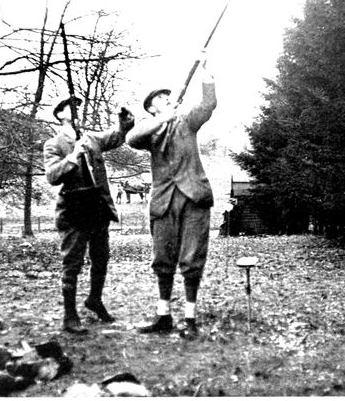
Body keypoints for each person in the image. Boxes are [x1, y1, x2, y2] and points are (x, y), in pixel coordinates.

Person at [125, 52, 217, 340]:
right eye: (161, 98)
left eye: (168, 96)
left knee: (192, 259)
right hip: (163, 201)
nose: (167, 98)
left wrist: (206, 73)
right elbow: (131, 138)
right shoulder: (150, 131)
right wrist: (164, 119)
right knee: (162, 259)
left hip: (193, 198)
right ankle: (163, 316)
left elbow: (208, 105)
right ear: (151, 107)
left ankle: (190, 319)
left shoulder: (186, 122)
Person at [43, 97, 134, 334]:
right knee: (72, 262)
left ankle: (94, 299)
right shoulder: (53, 144)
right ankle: (70, 315)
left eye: (78, 107)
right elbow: (52, 176)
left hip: (97, 208)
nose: (76, 111)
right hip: (73, 210)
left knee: (101, 258)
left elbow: (115, 136)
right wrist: (72, 157)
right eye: (71, 108)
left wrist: (123, 122)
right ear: (60, 114)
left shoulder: (91, 138)